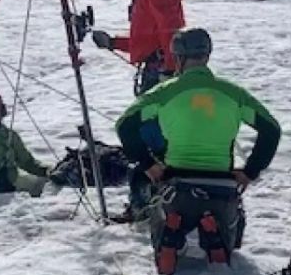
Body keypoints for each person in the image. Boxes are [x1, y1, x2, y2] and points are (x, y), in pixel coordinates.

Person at [114, 28, 282, 274]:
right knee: (229, 234)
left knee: (164, 209)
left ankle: (170, 235)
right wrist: (250, 171)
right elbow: (271, 130)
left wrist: (149, 165)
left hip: (176, 185)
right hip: (222, 189)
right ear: (207, 56)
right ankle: (214, 236)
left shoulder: (165, 92)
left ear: (178, 58)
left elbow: (125, 125)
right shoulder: (233, 93)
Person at [92, 0, 186, 96]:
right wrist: (112, 43)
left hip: (162, 72)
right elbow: (146, 41)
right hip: (156, 69)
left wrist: (169, 72)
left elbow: (170, 31)